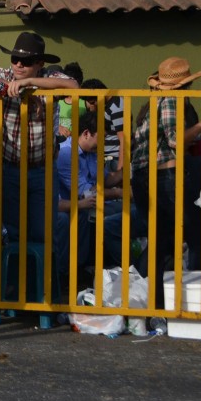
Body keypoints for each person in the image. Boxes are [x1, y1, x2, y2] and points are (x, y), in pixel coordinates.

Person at [130, 57, 201, 306]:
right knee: (191, 235)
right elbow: (175, 140)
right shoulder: (172, 100)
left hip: (145, 176)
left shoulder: (152, 104)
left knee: (161, 239)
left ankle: (153, 301)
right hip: (164, 175)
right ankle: (190, 302)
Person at [0, 32, 78, 248]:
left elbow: (74, 86)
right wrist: (6, 87)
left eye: (27, 61)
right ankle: (12, 282)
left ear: (40, 63)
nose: (19, 65)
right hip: (10, 169)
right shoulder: (6, 74)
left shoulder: (50, 77)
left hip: (42, 171)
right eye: (15, 59)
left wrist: (31, 83)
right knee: (11, 234)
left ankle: (39, 282)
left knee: (42, 234)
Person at [55, 111, 143, 277]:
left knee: (130, 212)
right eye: (101, 137)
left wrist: (126, 173)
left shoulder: (91, 153)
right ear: (87, 134)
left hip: (94, 204)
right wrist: (121, 192)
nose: (103, 143)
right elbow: (86, 193)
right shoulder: (67, 154)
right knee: (118, 218)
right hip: (79, 207)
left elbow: (104, 179)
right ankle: (130, 269)